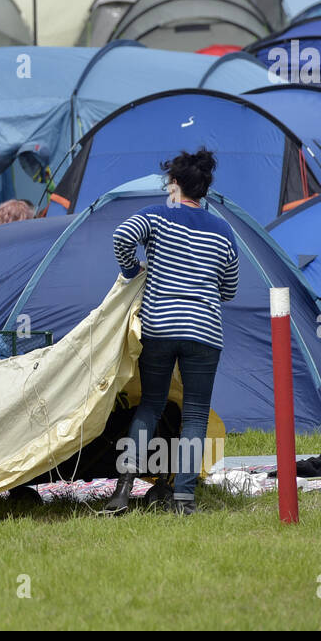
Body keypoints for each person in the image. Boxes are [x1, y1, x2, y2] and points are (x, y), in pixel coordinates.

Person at [103, 149, 239, 516]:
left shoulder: (157, 217)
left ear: (174, 184)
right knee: (194, 415)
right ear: (204, 188)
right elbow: (229, 289)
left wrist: (134, 271)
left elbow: (121, 236)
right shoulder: (224, 232)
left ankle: (122, 490)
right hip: (205, 332)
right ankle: (184, 499)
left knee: (150, 405)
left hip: (160, 327)